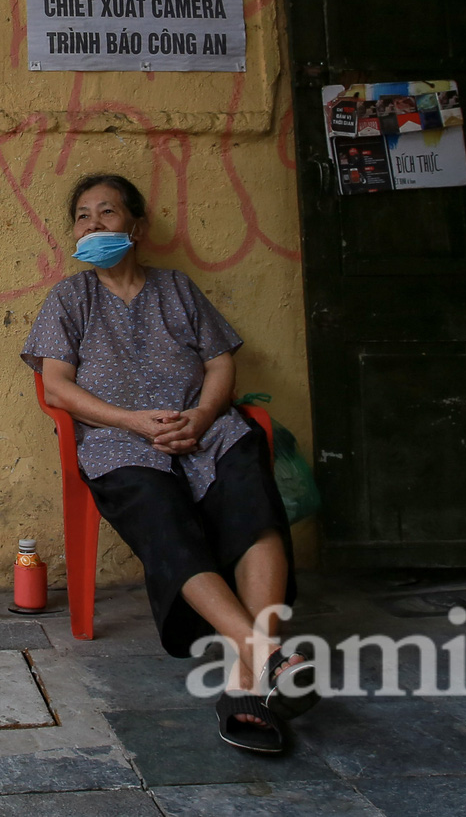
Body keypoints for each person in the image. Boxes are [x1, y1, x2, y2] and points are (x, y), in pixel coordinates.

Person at [22, 173, 315, 755]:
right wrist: (130, 421)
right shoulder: (70, 299)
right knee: (160, 515)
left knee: (249, 495)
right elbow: (56, 388)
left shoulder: (177, 288)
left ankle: (245, 678)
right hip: (119, 441)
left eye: (107, 212)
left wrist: (204, 417)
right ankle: (264, 654)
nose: (94, 224)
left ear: (137, 225)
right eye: (82, 216)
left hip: (202, 429)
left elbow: (219, 362)